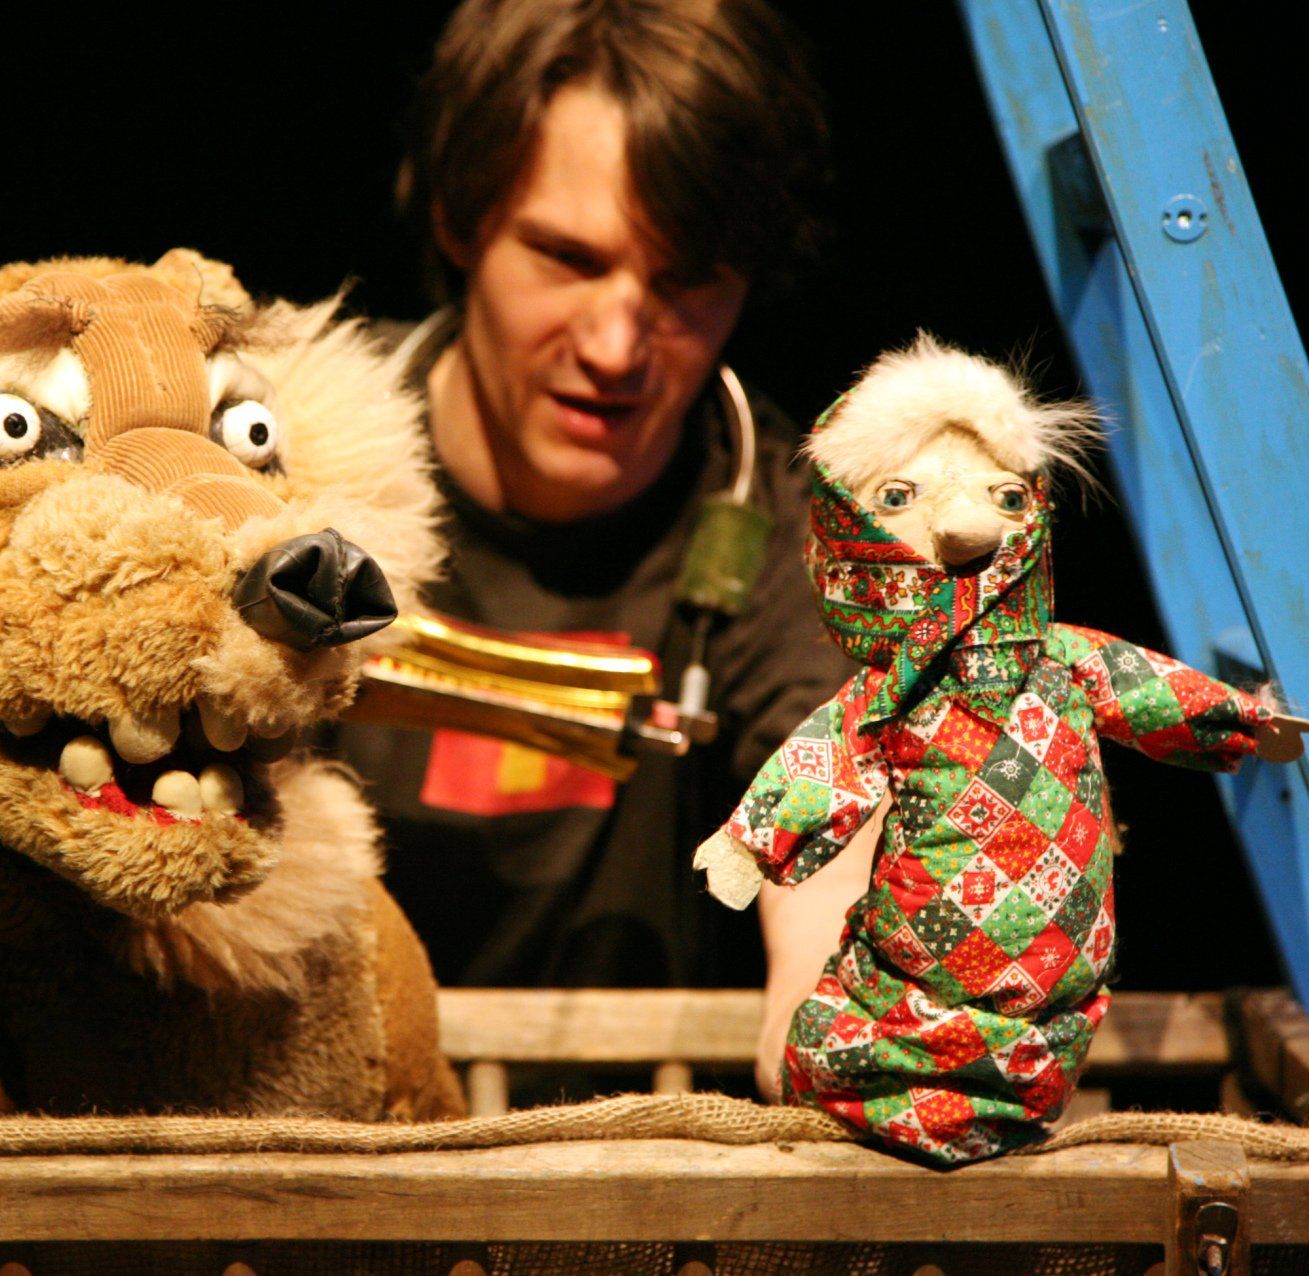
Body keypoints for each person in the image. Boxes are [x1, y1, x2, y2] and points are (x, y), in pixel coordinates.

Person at [328, 0, 880, 1099]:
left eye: (684, 280)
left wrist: (830, 1011)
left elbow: (835, 796)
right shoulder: (294, 451)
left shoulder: (797, 524)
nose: (619, 346)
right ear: (459, 220)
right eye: (568, 258)